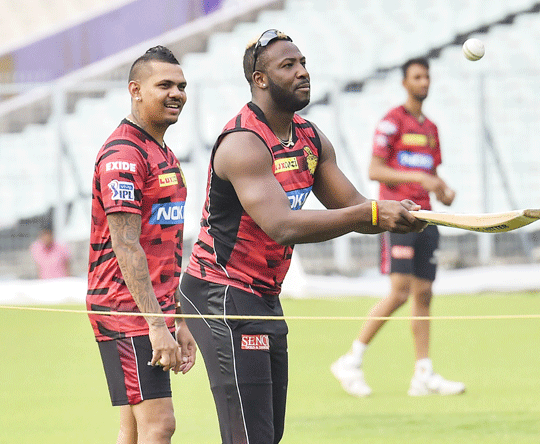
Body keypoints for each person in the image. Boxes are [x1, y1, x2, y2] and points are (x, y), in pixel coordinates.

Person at [179, 29, 426, 444]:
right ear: (260, 80)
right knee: (250, 437)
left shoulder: (309, 137)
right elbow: (282, 226)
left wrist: (393, 216)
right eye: (288, 66)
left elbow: (350, 205)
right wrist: (372, 212)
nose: (302, 73)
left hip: (262, 294)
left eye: (304, 63)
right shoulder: (244, 142)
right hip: (219, 292)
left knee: (268, 435)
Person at [331, 57, 465, 397]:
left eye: (427, 77)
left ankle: (423, 373)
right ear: (405, 83)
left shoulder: (431, 128)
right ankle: (351, 359)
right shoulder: (392, 122)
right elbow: (375, 170)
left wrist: (443, 189)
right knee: (400, 291)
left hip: (429, 219)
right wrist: (418, 178)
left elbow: (431, 174)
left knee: (424, 294)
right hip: (400, 219)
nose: (424, 82)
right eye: (417, 77)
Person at [86, 46, 197, 444]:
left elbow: (168, 247)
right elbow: (126, 245)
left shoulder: (162, 152)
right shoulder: (124, 155)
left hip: (151, 308)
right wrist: (156, 323)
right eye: (164, 84)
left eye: (182, 86)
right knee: (159, 424)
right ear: (135, 90)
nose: (177, 93)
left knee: (133, 429)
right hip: (124, 308)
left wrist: (179, 319)